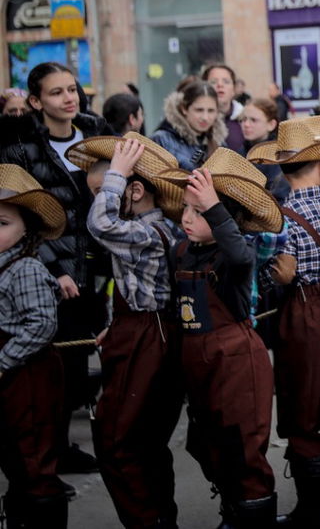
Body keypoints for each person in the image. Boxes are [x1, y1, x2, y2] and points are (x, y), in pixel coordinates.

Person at [247, 115, 320, 526]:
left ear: (283, 167)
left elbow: (267, 278)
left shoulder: (277, 218)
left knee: (304, 410)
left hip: (301, 316)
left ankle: (312, 509)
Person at [157, 153, 283, 527]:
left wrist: (213, 207)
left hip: (237, 365)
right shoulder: (180, 251)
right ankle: (231, 508)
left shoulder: (231, 257)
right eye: (187, 210)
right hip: (198, 365)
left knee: (243, 449)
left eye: (200, 213)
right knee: (209, 445)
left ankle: (250, 516)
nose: (188, 219)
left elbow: (243, 258)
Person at [0, 61, 112, 475]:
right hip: (48, 270)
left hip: (96, 264)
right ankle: (46, 457)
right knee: (52, 369)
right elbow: (22, 216)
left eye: (72, 89)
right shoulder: (20, 146)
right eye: (56, 92)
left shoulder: (97, 135)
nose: (69, 98)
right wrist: (52, 268)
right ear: (35, 101)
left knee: (81, 361)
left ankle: (62, 448)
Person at [69, 135, 184, 529]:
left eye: (105, 191)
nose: (100, 200)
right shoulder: (150, 229)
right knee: (145, 441)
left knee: (120, 442)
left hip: (147, 336)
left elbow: (99, 223)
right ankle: (158, 517)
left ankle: (148, 520)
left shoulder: (148, 233)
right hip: (139, 329)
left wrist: (116, 171)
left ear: (134, 189)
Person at [0, 164, 69, 528]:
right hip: (10, 374)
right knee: (14, 454)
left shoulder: (25, 268)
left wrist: (3, 360)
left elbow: (42, 323)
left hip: (28, 374)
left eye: (2, 223)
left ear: (27, 227)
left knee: (33, 455)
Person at [151, 79, 226, 171]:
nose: (205, 117)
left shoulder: (220, 145)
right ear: (184, 109)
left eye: (211, 111)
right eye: (199, 110)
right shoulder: (162, 140)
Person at [239, 99, 290, 203]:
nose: (246, 124)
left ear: (271, 125)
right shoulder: (240, 152)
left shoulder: (279, 156)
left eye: (253, 120)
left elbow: (278, 197)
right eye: (244, 120)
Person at [201, 63, 246, 154]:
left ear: (233, 89)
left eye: (226, 81)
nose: (220, 85)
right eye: (213, 82)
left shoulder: (246, 120)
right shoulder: (196, 121)